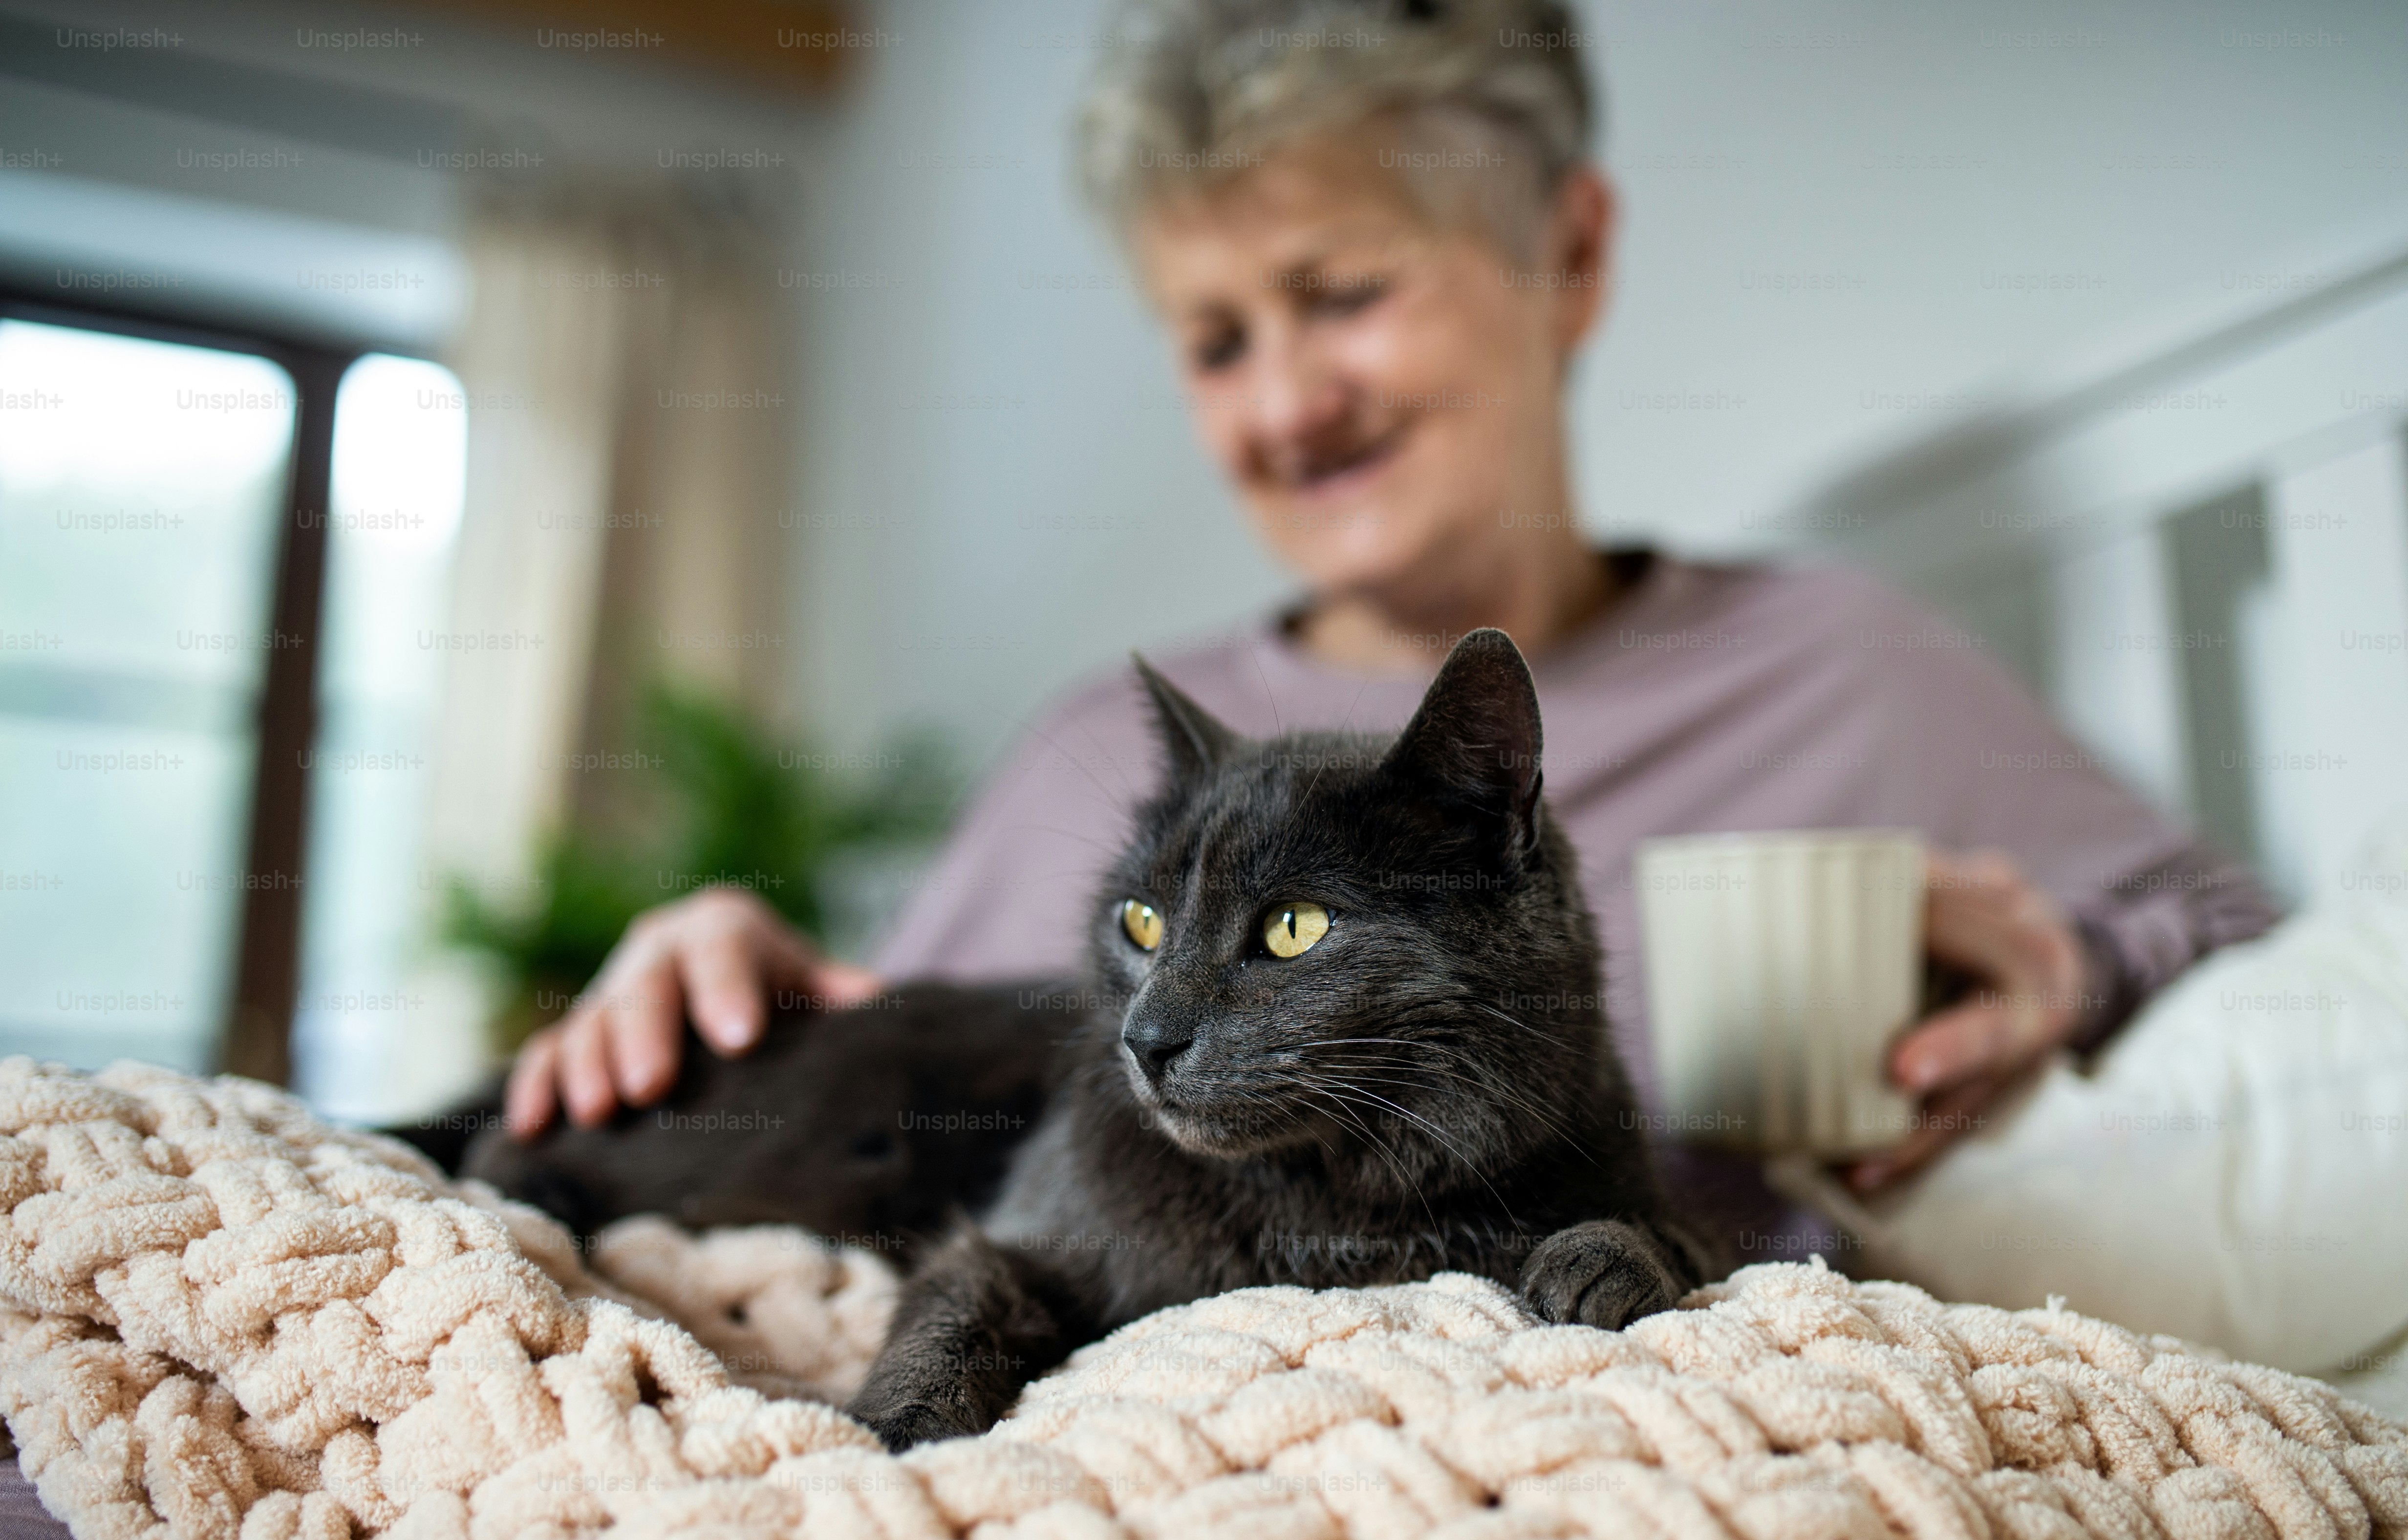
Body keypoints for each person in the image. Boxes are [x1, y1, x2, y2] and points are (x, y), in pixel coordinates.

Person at [504, 0, 2276, 1244]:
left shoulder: (1841, 667)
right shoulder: (1125, 749)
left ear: (1570, 255)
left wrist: (2064, 959)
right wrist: (729, 970)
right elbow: (935, 1056)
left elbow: (2223, 927)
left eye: (1339, 293)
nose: (1282, 405)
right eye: (1215, 339)